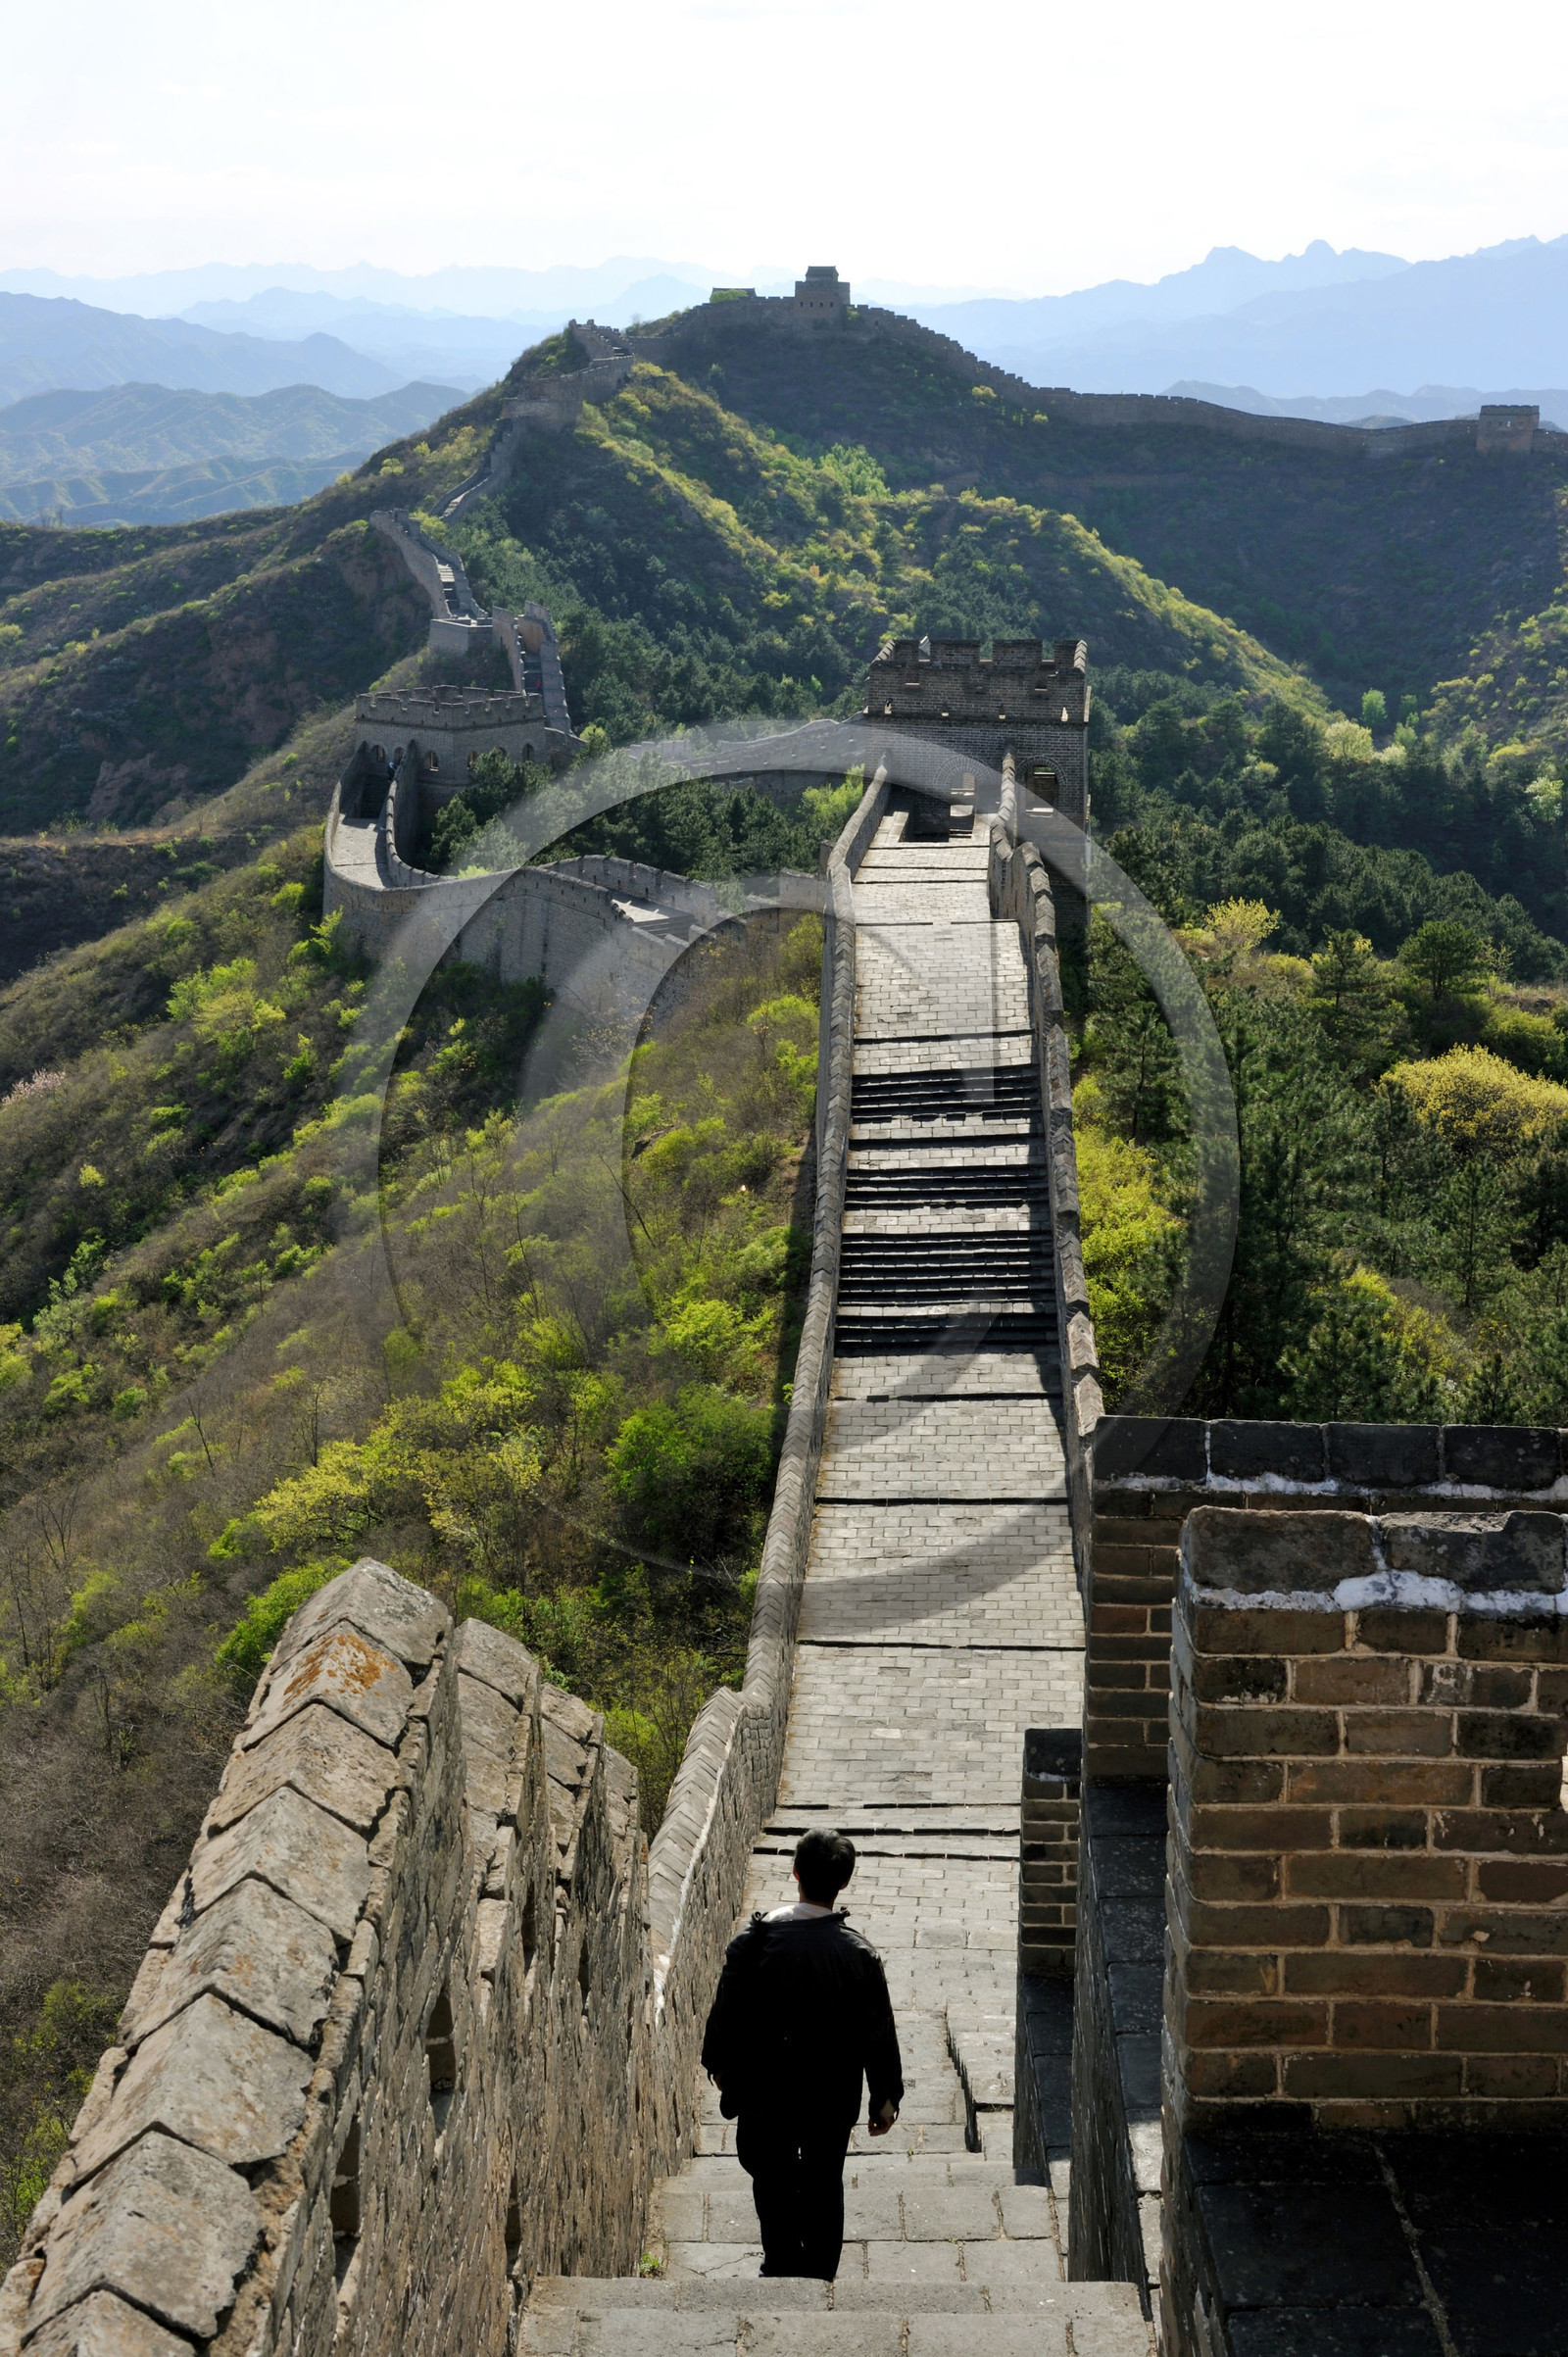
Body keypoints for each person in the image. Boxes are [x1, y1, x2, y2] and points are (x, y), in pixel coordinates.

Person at [701, 1829, 904, 2281]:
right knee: (824, 2181)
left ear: (795, 1873)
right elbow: (878, 2032)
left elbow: (725, 2016)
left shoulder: (752, 1944)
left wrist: (721, 2069)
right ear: (844, 1882)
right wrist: (885, 2097)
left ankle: (780, 2264)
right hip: (831, 2097)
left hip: (764, 2093)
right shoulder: (858, 1954)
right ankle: (820, 2274)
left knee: (771, 2180)